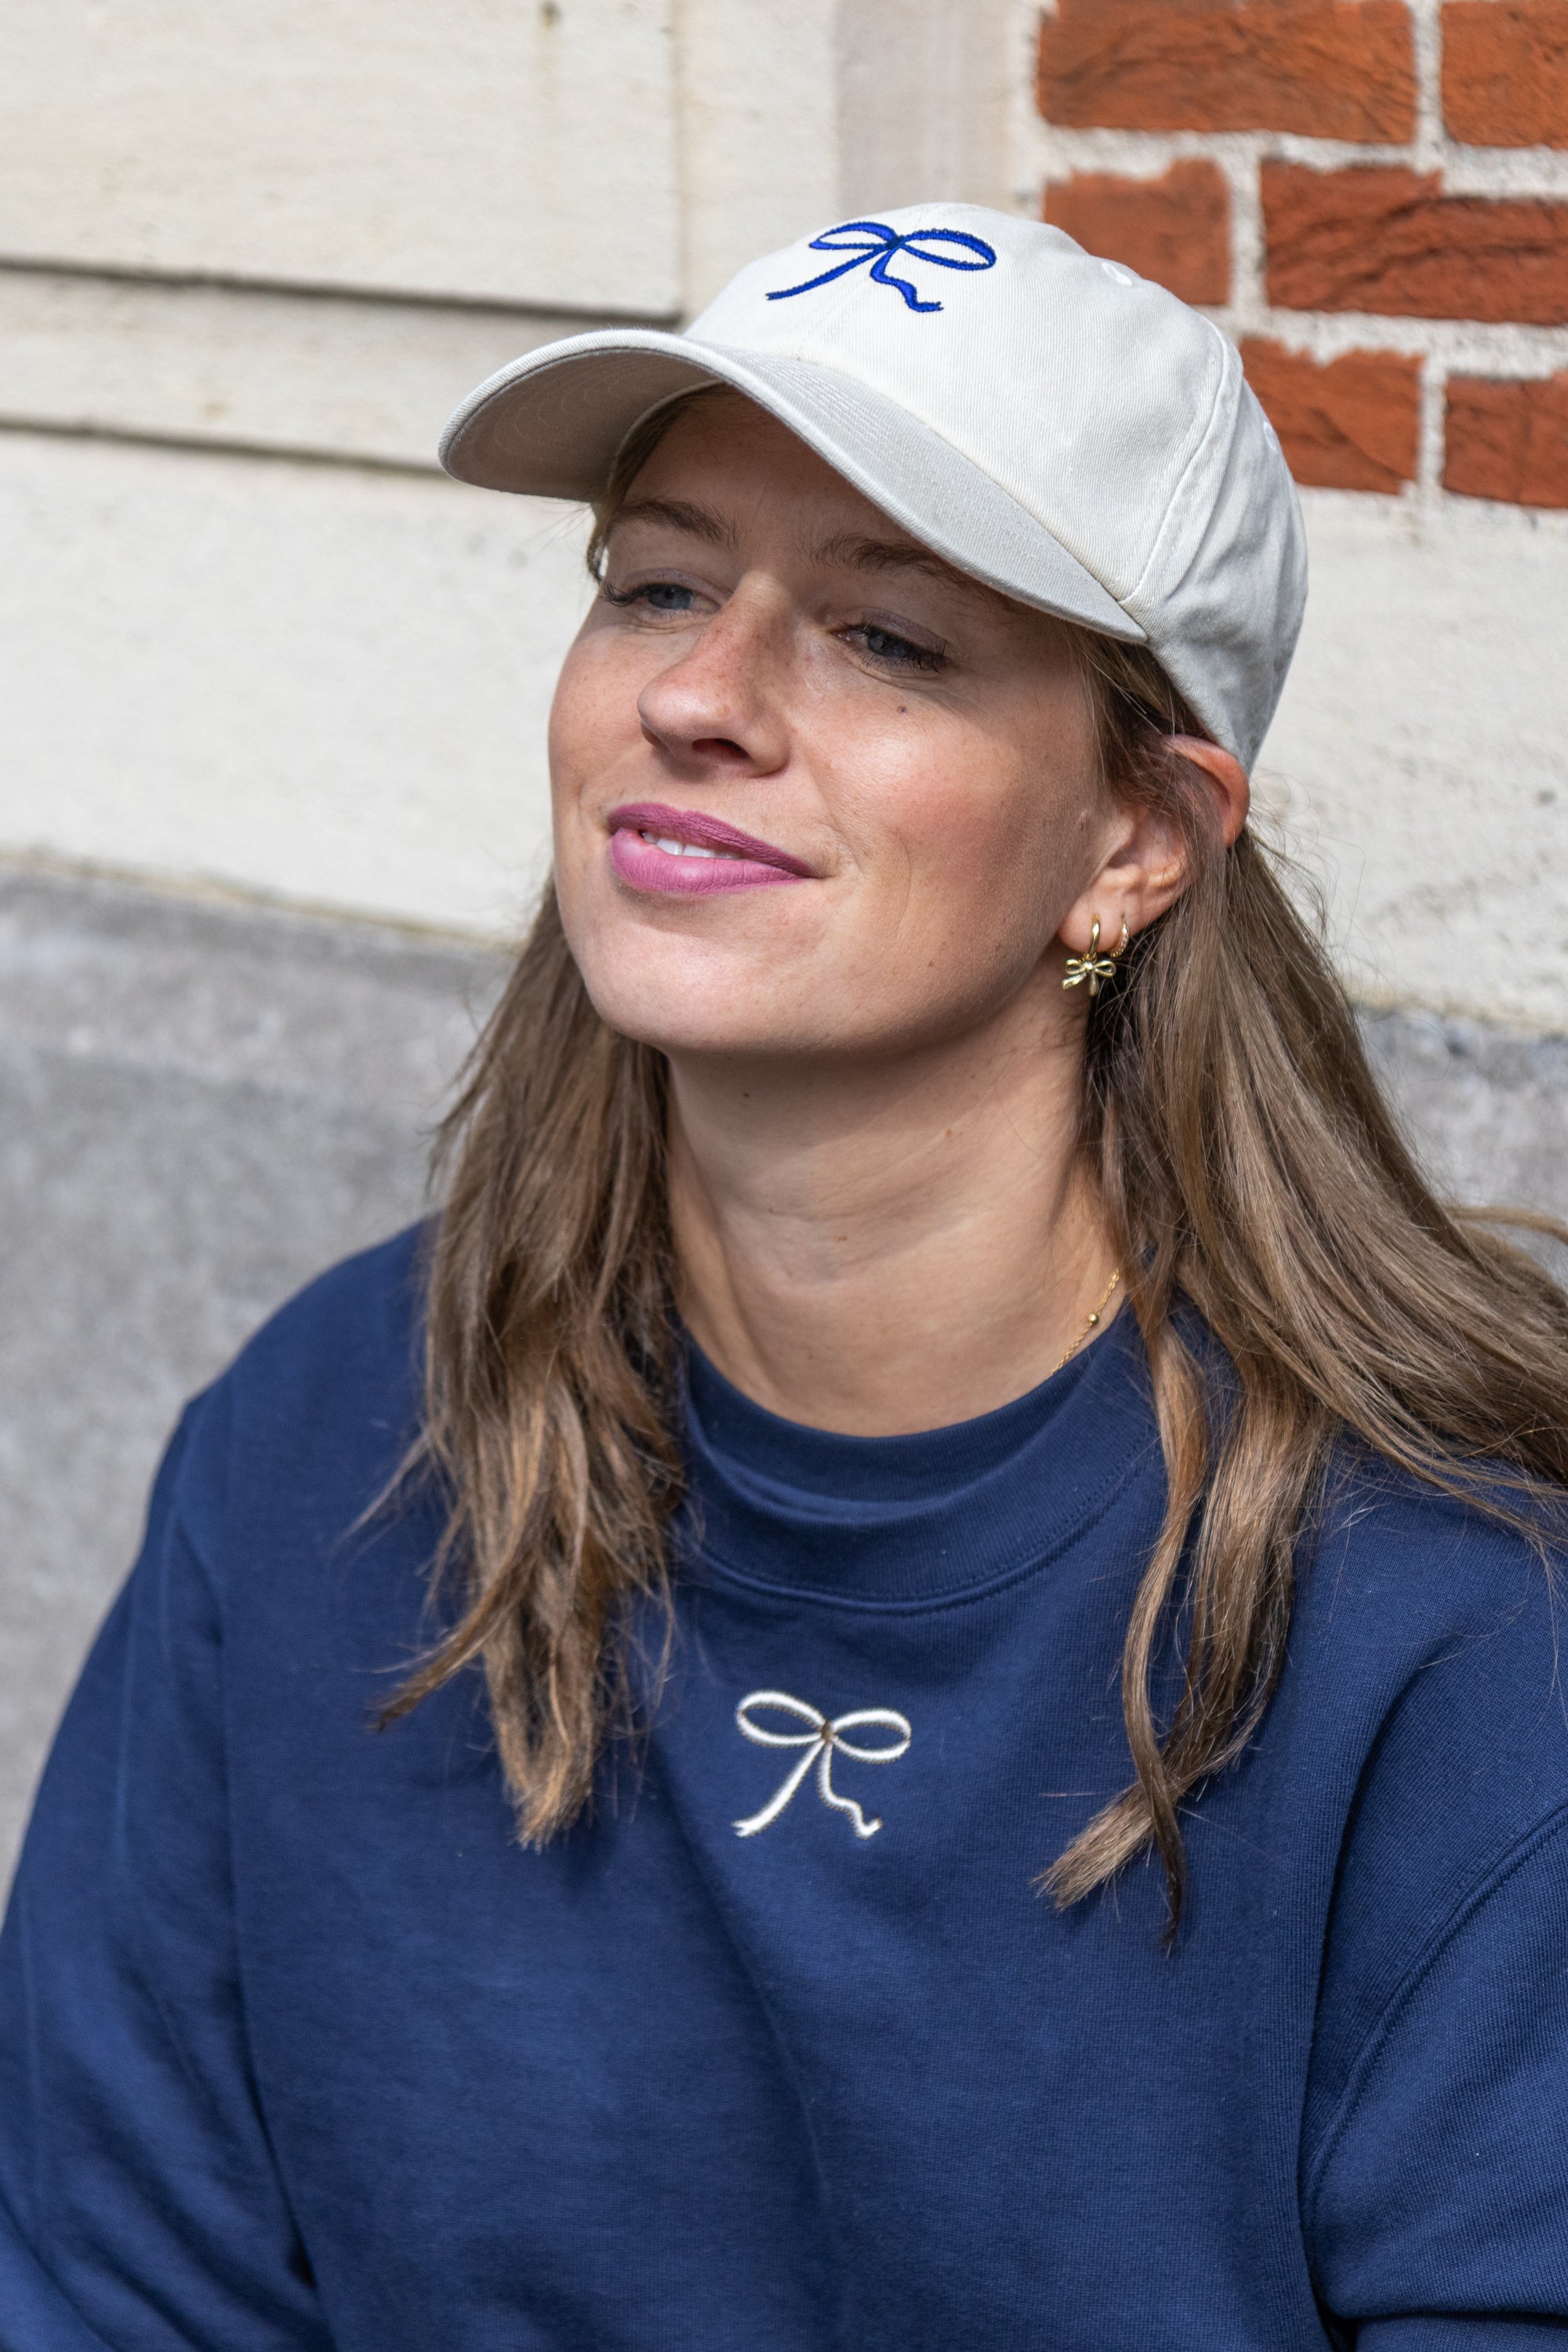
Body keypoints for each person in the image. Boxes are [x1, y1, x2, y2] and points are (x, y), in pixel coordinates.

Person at [2, 204, 1567, 2352]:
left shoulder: (1462, 1618)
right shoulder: (322, 1437)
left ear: (1135, 842)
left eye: (887, 634)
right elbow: (103, 2289)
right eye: (657, 584)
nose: (696, 696)